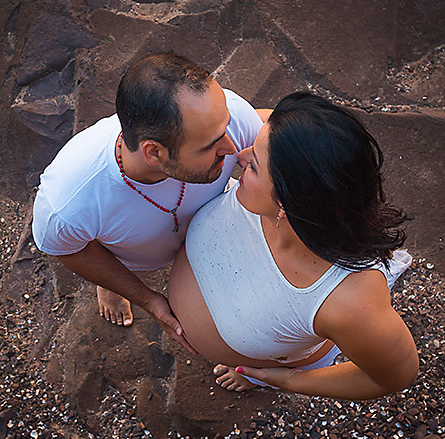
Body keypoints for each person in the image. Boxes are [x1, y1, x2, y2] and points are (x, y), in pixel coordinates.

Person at [167, 91, 418, 401]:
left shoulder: (351, 302)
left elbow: (396, 375)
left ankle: (256, 379)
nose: (238, 155)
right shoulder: (279, 163)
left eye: (254, 166)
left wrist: (289, 381)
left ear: (286, 203)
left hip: (268, 364)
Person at [31, 53, 267, 352]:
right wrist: (147, 298)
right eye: (210, 146)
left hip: (212, 225)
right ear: (154, 153)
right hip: (132, 256)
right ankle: (110, 284)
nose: (233, 149)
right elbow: (68, 249)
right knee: (108, 264)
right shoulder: (68, 202)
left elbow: (267, 129)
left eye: (226, 128)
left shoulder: (225, 116)